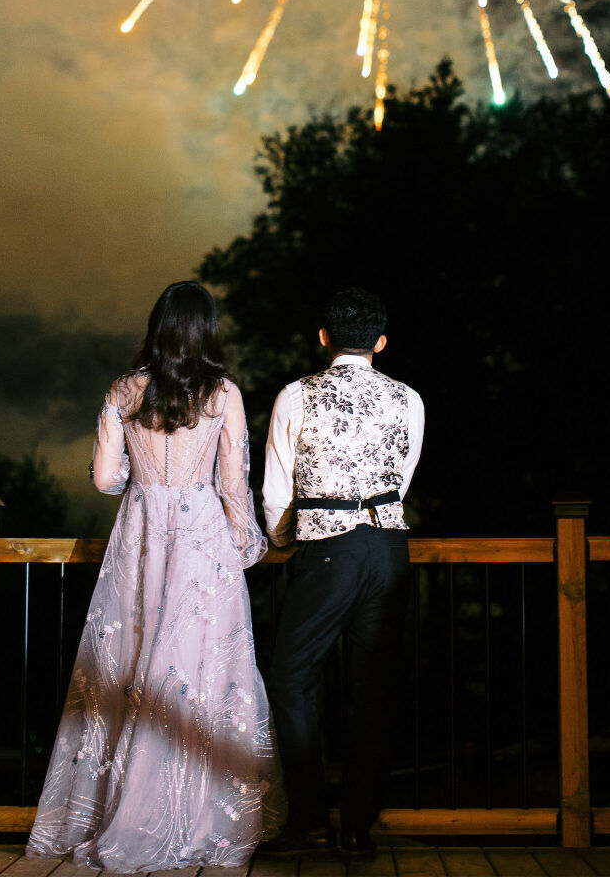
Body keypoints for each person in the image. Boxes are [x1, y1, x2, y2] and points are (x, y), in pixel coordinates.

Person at [26, 281, 284, 872]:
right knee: (200, 674)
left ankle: (120, 811)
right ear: (206, 330)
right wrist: (247, 544)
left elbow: (102, 479)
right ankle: (192, 815)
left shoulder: (124, 389)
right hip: (201, 542)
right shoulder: (223, 393)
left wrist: (134, 482)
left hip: (140, 536)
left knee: (128, 669)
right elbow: (232, 484)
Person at [260, 287, 424, 859]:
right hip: (389, 549)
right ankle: (357, 828)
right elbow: (402, 477)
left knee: (290, 679)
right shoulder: (408, 399)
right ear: (380, 341)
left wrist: (284, 541)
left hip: (329, 550)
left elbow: (278, 488)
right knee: (373, 689)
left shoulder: (295, 396)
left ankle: (308, 819)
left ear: (324, 337)